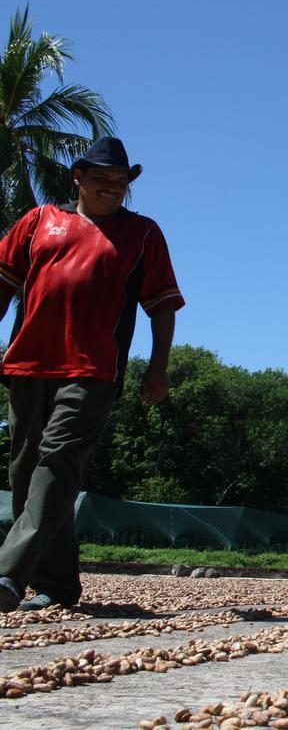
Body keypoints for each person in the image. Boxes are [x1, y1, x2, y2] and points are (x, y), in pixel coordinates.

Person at [0, 136, 184, 612]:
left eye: (121, 182)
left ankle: (8, 572)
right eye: (102, 178)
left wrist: (157, 367)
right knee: (26, 473)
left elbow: (162, 306)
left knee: (58, 463)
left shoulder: (142, 234)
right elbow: (3, 284)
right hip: (29, 363)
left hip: (93, 368)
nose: (112, 187)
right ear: (77, 178)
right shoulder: (39, 221)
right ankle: (57, 584)